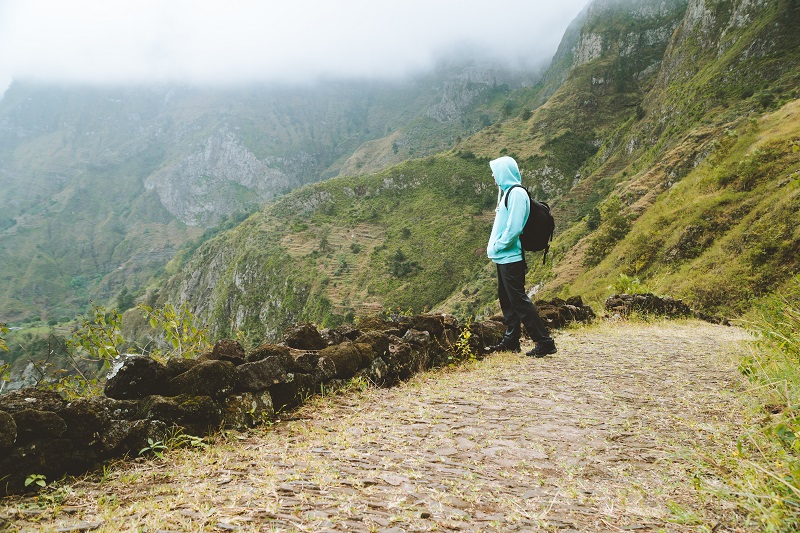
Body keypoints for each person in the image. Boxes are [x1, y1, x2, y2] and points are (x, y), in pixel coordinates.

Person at [484, 156, 557, 358]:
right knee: (507, 301)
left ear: (504, 171)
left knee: (519, 301)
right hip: (503, 257)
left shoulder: (516, 193)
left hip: (511, 257)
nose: (492, 175)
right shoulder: (508, 192)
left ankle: (545, 342)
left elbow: (514, 228)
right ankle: (511, 341)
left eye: (495, 171)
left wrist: (498, 246)